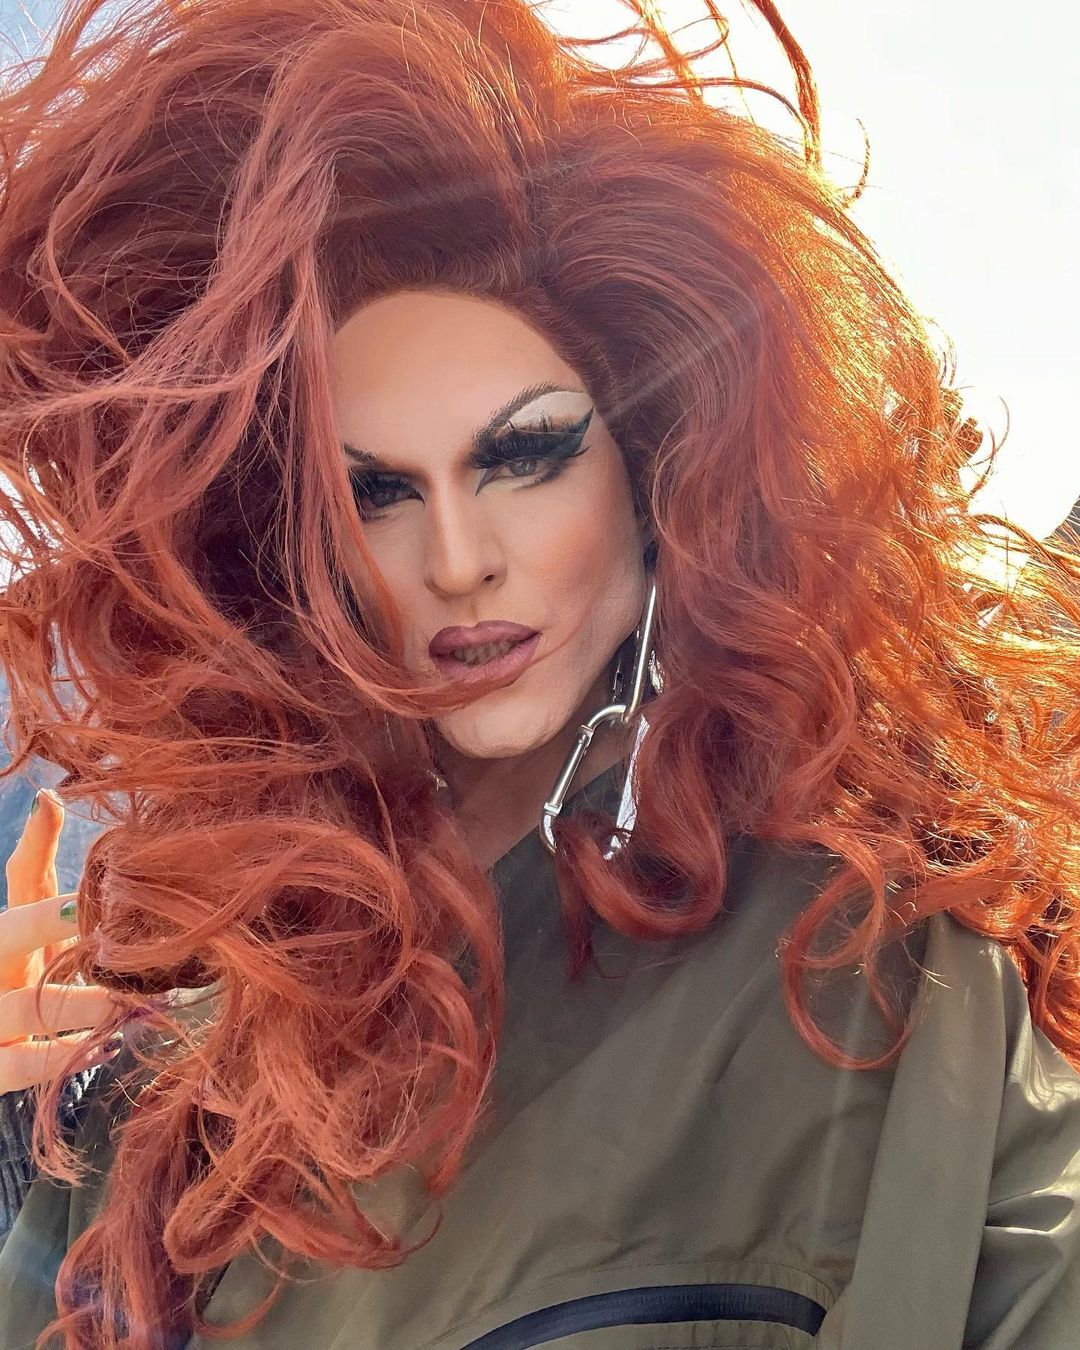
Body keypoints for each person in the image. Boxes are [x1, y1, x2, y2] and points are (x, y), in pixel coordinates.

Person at [0, 0, 1078, 1346]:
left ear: (657, 467)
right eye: (376, 493)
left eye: (525, 457)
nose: (460, 561)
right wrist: (31, 1140)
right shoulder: (182, 1073)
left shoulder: (875, 953)